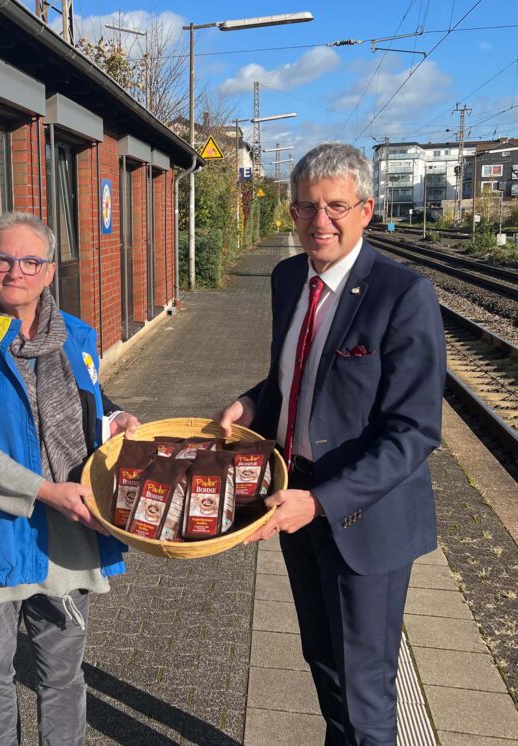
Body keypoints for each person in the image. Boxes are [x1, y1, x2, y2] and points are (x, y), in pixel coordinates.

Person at [216, 143, 446, 745]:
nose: (320, 221)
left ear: (366, 209)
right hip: (294, 498)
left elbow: (415, 431)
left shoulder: (403, 295)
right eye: (306, 207)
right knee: (322, 663)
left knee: (366, 687)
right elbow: (300, 369)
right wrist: (253, 401)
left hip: (363, 516)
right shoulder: (289, 276)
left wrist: (320, 502)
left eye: (335, 206)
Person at [0, 211, 138, 745]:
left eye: (30, 260)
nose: (15, 271)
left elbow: (87, 403)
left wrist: (117, 414)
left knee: (62, 675)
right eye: (2, 260)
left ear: (50, 270)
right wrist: (44, 491)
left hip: (64, 538)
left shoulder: (76, 336)